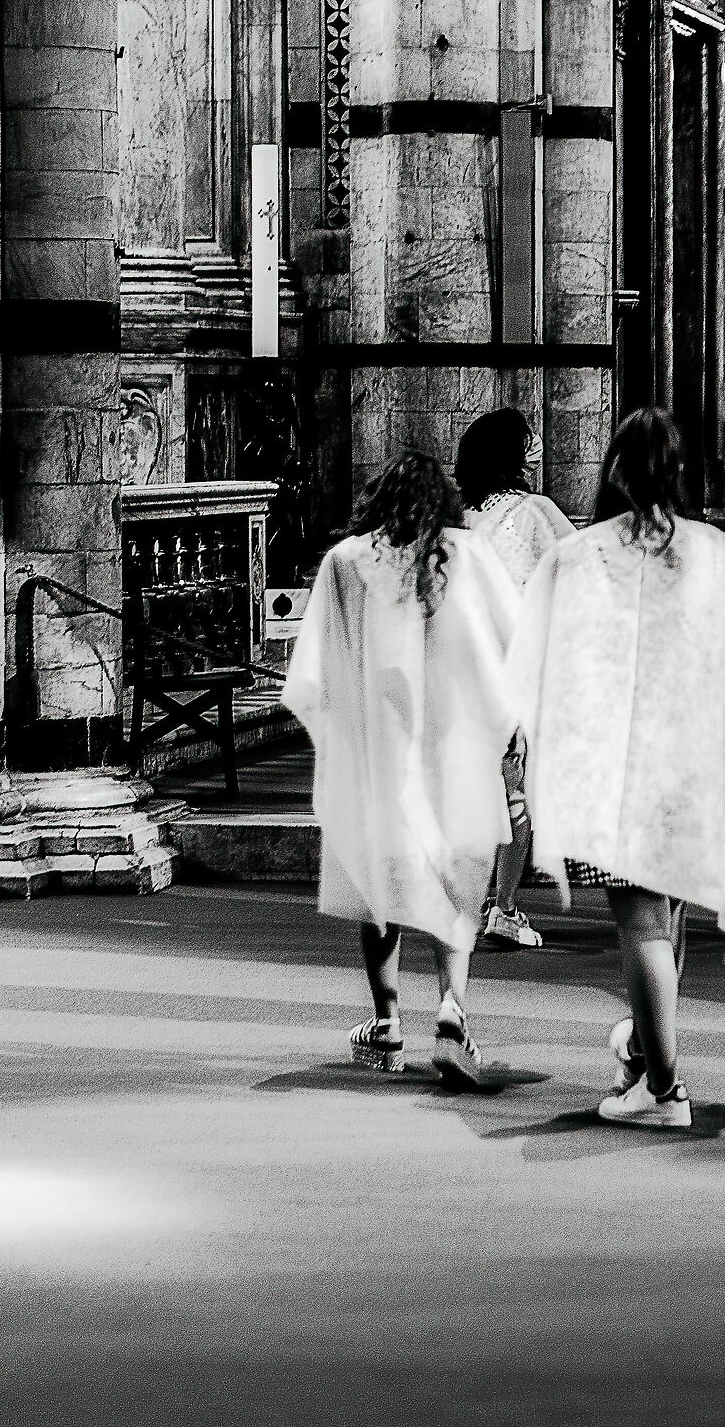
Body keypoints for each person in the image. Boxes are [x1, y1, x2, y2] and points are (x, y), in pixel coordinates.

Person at [508, 410, 725, 1128]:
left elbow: (532, 666)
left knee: (639, 920)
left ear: (612, 470)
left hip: (615, 763)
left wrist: (534, 757)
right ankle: (645, 1052)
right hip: (693, 757)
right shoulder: (715, 552)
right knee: (667, 914)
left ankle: (665, 1089)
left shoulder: (579, 557)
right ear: (681, 472)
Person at [282, 453, 522, 1092]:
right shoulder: (466, 555)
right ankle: (452, 1006)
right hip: (458, 745)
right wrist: (515, 728)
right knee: (457, 873)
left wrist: (339, 735)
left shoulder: (347, 561)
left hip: (380, 749)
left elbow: (321, 665)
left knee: (378, 869)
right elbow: (512, 643)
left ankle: (387, 1019)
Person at [453, 407, 579, 951]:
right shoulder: (537, 512)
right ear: (510, 456)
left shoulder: (460, 518)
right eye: (527, 443)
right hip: (515, 669)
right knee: (517, 794)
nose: (535, 450)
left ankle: (473, 902)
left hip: (464, 670)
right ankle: (501, 907)